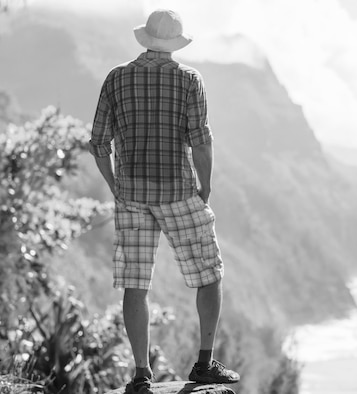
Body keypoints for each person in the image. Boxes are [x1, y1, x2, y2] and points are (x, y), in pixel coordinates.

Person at [89, 9, 240, 394]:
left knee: (135, 283)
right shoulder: (189, 79)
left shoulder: (117, 77)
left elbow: (98, 142)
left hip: (133, 194)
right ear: (175, 43)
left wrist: (114, 185)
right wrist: (205, 187)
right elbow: (201, 141)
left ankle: (141, 373)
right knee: (209, 273)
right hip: (177, 191)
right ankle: (205, 364)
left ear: (144, 39)